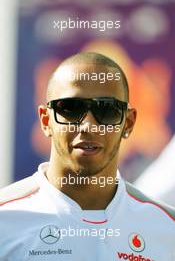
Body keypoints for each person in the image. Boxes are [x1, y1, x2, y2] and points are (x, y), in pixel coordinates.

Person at [0, 52, 174, 261]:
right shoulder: (5, 219)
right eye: (71, 108)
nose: (89, 126)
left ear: (128, 123)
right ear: (46, 121)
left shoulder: (167, 229)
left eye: (107, 109)